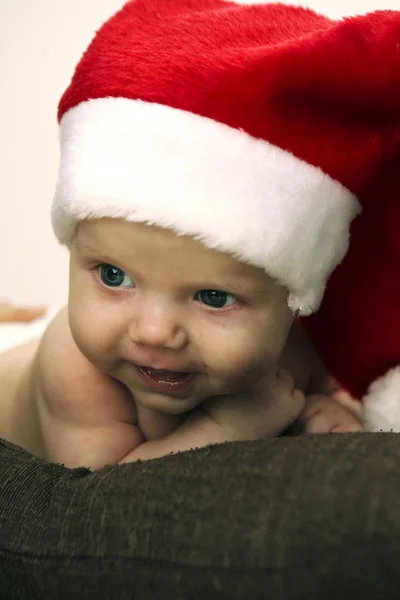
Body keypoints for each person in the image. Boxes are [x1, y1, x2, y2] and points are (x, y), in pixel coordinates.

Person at [2, 0, 398, 469]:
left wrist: (336, 411)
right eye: (112, 275)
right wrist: (230, 428)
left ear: (292, 301)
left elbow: (349, 390)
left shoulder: (296, 348)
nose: (154, 332)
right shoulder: (75, 369)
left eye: (212, 297)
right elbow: (97, 501)